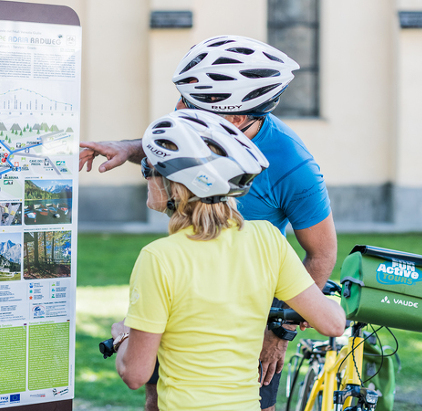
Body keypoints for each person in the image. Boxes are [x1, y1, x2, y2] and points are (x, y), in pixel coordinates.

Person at [80, 35, 337, 411]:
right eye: (182, 98)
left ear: (235, 117)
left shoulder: (295, 168)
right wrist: (129, 148)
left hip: (249, 304)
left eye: (192, 105)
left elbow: (322, 254)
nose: (178, 110)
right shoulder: (167, 257)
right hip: (183, 285)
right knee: (157, 395)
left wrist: (278, 330)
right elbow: (179, 149)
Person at [110, 110, 345, 411]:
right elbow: (333, 323)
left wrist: (123, 337)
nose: (145, 174)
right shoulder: (267, 239)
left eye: (149, 168)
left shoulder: (159, 258)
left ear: (175, 185)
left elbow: (135, 374)